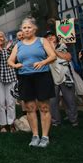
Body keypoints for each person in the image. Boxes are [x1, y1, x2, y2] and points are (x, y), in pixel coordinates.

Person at [8, 17, 56, 148]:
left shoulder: (42, 40)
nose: (26, 30)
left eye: (29, 27)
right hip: (25, 78)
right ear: (21, 30)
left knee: (44, 107)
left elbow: (53, 56)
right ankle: (35, 136)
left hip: (42, 77)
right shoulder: (18, 45)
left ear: (34, 29)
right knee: (30, 108)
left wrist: (42, 62)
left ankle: (45, 137)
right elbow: (10, 60)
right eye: (24, 28)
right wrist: (15, 65)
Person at [45, 31, 79, 127]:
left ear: (56, 37)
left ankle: (74, 120)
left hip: (65, 77)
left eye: (52, 35)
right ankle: (55, 121)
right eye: (48, 36)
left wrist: (53, 49)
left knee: (70, 100)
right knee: (53, 102)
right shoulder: (44, 49)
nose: (50, 37)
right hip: (51, 78)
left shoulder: (62, 46)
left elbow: (67, 57)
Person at [0, 31, 17, 133]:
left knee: (10, 102)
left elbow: (14, 59)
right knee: (0, 102)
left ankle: (11, 123)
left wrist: (5, 49)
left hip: (10, 77)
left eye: (1, 36)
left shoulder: (10, 48)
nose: (0, 38)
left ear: (4, 38)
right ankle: (2, 124)